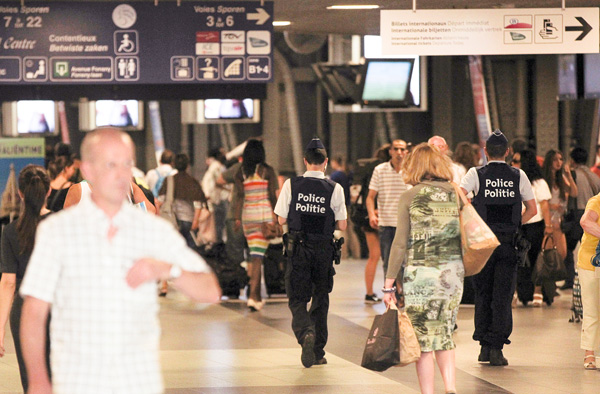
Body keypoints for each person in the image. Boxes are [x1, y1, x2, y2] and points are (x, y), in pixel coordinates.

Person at [19, 128, 221, 394]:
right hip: (77, 382)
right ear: (88, 170)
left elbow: (210, 291)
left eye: (127, 163)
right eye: (110, 164)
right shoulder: (58, 231)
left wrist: (163, 268)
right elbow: (34, 312)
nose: (121, 173)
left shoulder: (150, 228)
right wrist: (38, 381)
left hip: (137, 382)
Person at [383, 143, 463, 394]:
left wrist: (388, 284)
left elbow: (399, 243)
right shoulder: (456, 193)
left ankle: (427, 392)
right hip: (453, 273)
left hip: (422, 273)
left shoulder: (410, 196)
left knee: (424, 338)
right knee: (445, 330)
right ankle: (450, 388)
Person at [460, 130, 536, 366]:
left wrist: (475, 223)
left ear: (485, 152)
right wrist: (514, 223)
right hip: (507, 243)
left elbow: (458, 198)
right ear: (507, 152)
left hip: (483, 244)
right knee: (503, 296)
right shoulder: (518, 175)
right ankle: (496, 349)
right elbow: (532, 209)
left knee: (483, 293)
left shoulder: (475, 174)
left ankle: (483, 345)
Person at [274, 138, 347, 368]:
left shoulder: (291, 185)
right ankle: (317, 352)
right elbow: (343, 225)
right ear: (325, 162)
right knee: (320, 297)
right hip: (324, 248)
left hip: (298, 248)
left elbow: (281, 218)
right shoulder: (335, 188)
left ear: (305, 161)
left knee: (297, 297)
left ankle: (306, 332)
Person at [0, 165, 52, 392]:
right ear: (48, 191)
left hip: (25, 311)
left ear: (20, 193)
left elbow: (8, 283)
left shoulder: (11, 232)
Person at [231, 139, 279, 311]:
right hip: (263, 217)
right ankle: (252, 297)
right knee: (258, 258)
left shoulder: (241, 172)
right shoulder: (267, 171)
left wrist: (237, 218)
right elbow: (273, 196)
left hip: (248, 218)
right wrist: (278, 216)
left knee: (255, 255)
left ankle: (257, 297)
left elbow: (239, 197)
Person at [511, 150, 553, 307]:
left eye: (516, 161)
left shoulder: (539, 183)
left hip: (535, 223)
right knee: (515, 258)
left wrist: (548, 227)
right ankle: (514, 292)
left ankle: (538, 290)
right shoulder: (512, 180)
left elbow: (545, 205)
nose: (512, 164)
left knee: (537, 258)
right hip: (517, 224)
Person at [366, 140, 409, 277]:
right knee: (387, 261)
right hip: (386, 223)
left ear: (406, 152)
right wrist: (372, 215)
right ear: (390, 151)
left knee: (405, 262)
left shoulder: (411, 170)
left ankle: (403, 294)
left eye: (402, 149)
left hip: (405, 223)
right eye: (396, 149)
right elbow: (370, 197)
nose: (399, 153)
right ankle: (392, 294)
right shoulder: (380, 170)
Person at [562, 147, 600, 289]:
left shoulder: (572, 174)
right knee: (591, 248)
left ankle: (570, 280)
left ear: (572, 160)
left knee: (568, 249)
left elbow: (569, 195)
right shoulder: (594, 176)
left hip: (576, 215)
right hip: (595, 217)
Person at [158, 153, 208, 250]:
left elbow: (160, 200)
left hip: (172, 219)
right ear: (187, 165)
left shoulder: (169, 180)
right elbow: (198, 204)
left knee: (173, 248)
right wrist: (195, 221)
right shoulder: (192, 181)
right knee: (190, 249)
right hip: (188, 220)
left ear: (173, 164)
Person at [542, 149, 577, 274]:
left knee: (562, 253)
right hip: (548, 220)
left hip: (559, 219)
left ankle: (550, 283)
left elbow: (574, 192)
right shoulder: (544, 178)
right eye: (555, 159)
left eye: (561, 159)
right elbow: (540, 200)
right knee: (548, 254)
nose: (559, 162)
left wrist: (568, 176)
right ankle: (546, 285)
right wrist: (552, 206)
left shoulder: (561, 178)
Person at [578, 189, 600, 370]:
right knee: (592, 307)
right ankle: (589, 351)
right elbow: (585, 222)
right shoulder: (596, 201)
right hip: (591, 263)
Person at [202, 147, 230, 244]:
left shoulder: (214, 166)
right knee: (221, 223)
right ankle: (219, 244)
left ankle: (218, 243)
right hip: (220, 198)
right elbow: (214, 181)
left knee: (219, 223)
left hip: (217, 198)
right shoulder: (217, 166)